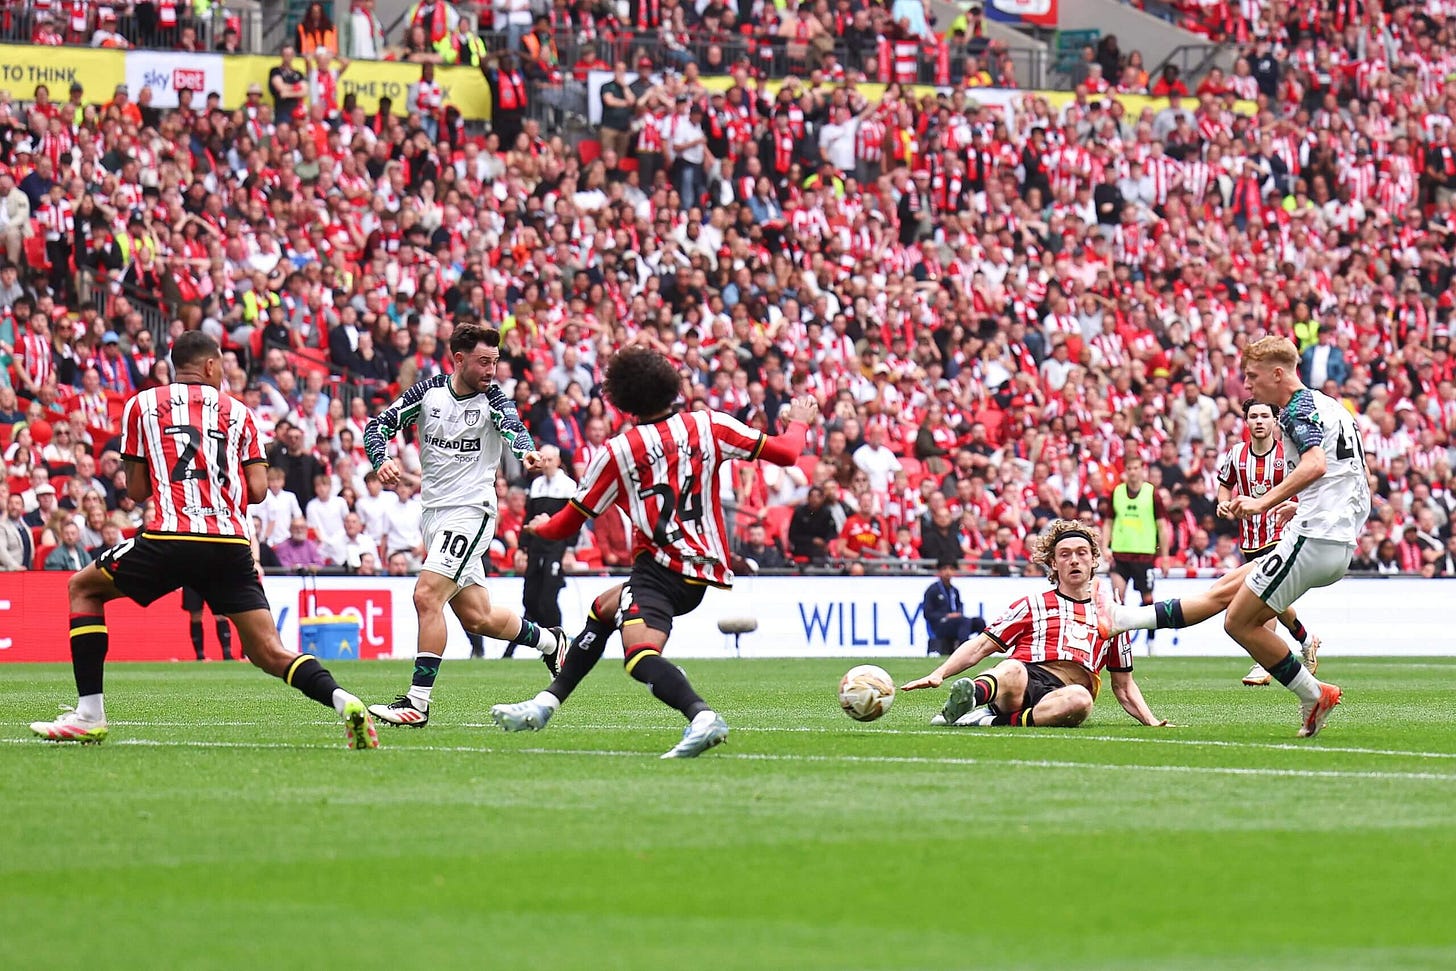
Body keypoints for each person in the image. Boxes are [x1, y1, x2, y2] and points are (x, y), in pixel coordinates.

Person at [29, 332, 378, 748]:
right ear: (211, 366)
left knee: (82, 588)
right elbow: (258, 490)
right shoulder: (242, 413)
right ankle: (344, 700)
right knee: (268, 650)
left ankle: (89, 714)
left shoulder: (141, 405)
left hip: (169, 536)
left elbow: (137, 490)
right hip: (229, 544)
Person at [490, 346, 821, 758]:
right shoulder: (710, 425)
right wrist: (801, 422)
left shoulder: (618, 451)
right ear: (672, 386)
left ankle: (701, 716)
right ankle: (544, 705)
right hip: (701, 567)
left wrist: (540, 528)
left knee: (639, 656)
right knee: (603, 608)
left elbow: (568, 523)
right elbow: (788, 452)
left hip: (660, 568)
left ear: (620, 398)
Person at [1099, 337, 1369, 738]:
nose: (1246, 385)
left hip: (1316, 537)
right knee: (1227, 589)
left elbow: (1315, 464)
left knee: (1239, 623)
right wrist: (1308, 506)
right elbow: (1351, 476)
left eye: (1252, 376)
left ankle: (1314, 695)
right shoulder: (1331, 407)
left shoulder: (1296, 408)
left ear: (1278, 374)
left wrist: (1264, 503)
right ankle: (1122, 620)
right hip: (1328, 532)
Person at [362, 322, 565, 727]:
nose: (492, 369)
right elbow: (377, 425)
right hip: (434, 513)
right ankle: (551, 641)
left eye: (496, 361)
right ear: (459, 358)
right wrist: (380, 458)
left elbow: (513, 427)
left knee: (426, 596)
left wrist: (526, 452)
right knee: (478, 617)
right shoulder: (428, 393)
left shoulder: (494, 400)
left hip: (471, 511)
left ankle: (417, 703)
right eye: (484, 361)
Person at [902, 520, 1167, 729]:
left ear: (1093, 560)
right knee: (1012, 668)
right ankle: (970, 698)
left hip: (1065, 695)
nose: (1074, 560)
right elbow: (981, 645)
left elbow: (1123, 685)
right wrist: (939, 674)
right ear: (1053, 563)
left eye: (1081, 553)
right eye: (1065, 554)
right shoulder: (1032, 604)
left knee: (1081, 700)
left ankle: (984, 719)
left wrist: (1151, 721)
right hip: (1023, 681)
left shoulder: (1112, 617)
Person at [1217, 398, 1322, 685]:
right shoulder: (1237, 454)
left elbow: (1309, 486)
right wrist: (1222, 504)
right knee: (1272, 599)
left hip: (1281, 535)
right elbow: (1225, 485)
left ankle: (1264, 664)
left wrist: (1297, 509)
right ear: (1246, 421)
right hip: (1249, 540)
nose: (1259, 421)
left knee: (1262, 595)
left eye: (1265, 416)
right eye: (1254, 416)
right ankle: (1305, 638)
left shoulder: (1287, 454)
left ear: (1275, 421)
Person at [1100, 455, 1169, 645]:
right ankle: (1117, 644)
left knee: (1147, 599)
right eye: (1129, 468)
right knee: (1116, 597)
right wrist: (1105, 546)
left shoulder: (1152, 493)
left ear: (1142, 469)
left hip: (1144, 555)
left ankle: (1151, 643)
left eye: (1136, 468)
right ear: (1125, 471)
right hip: (1120, 554)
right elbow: (1108, 522)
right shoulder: (1117, 492)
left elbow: (1162, 526)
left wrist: (1164, 557)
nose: (1132, 472)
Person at [517, 443, 575, 644]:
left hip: (556, 547)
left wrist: (570, 549)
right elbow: (529, 516)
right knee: (529, 598)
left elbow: (573, 521)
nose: (547, 464)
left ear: (558, 461)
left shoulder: (568, 485)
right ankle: (551, 638)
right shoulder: (536, 485)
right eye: (545, 460)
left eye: (551, 460)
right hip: (536, 546)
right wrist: (522, 548)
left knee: (548, 598)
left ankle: (558, 639)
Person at [922, 560, 984, 655]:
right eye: (945, 569)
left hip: (956, 623)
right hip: (940, 624)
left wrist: (958, 613)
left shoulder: (955, 590)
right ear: (939, 571)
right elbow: (927, 613)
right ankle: (965, 652)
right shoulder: (932, 590)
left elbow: (959, 606)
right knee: (964, 621)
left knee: (979, 622)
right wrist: (946, 615)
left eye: (951, 569)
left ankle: (981, 650)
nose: (948, 572)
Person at [182, 586, 234, 661]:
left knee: (221, 615)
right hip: (192, 580)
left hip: (216, 580)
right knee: (195, 616)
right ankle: (200, 655)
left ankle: (227, 654)